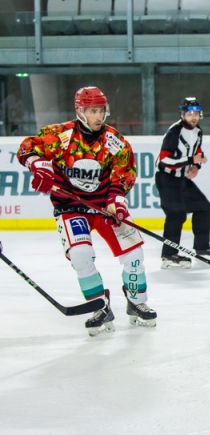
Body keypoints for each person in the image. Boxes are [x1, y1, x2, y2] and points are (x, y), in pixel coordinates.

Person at [16, 86, 156, 336]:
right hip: (70, 208)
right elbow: (27, 147)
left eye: (101, 110)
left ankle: (136, 302)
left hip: (104, 207)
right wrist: (37, 165)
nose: (99, 116)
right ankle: (99, 305)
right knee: (81, 255)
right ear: (80, 111)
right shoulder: (60, 136)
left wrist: (117, 198)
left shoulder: (114, 140)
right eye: (93, 111)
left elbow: (124, 173)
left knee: (134, 256)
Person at [156, 97, 210, 269]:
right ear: (182, 114)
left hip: (181, 179)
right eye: (189, 113)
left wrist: (196, 165)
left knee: (203, 206)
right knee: (176, 214)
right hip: (167, 178)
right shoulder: (174, 131)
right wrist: (191, 160)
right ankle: (169, 255)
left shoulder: (198, 131)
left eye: (196, 113)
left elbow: (197, 151)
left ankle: (202, 247)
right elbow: (164, 160)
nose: (193, 117)